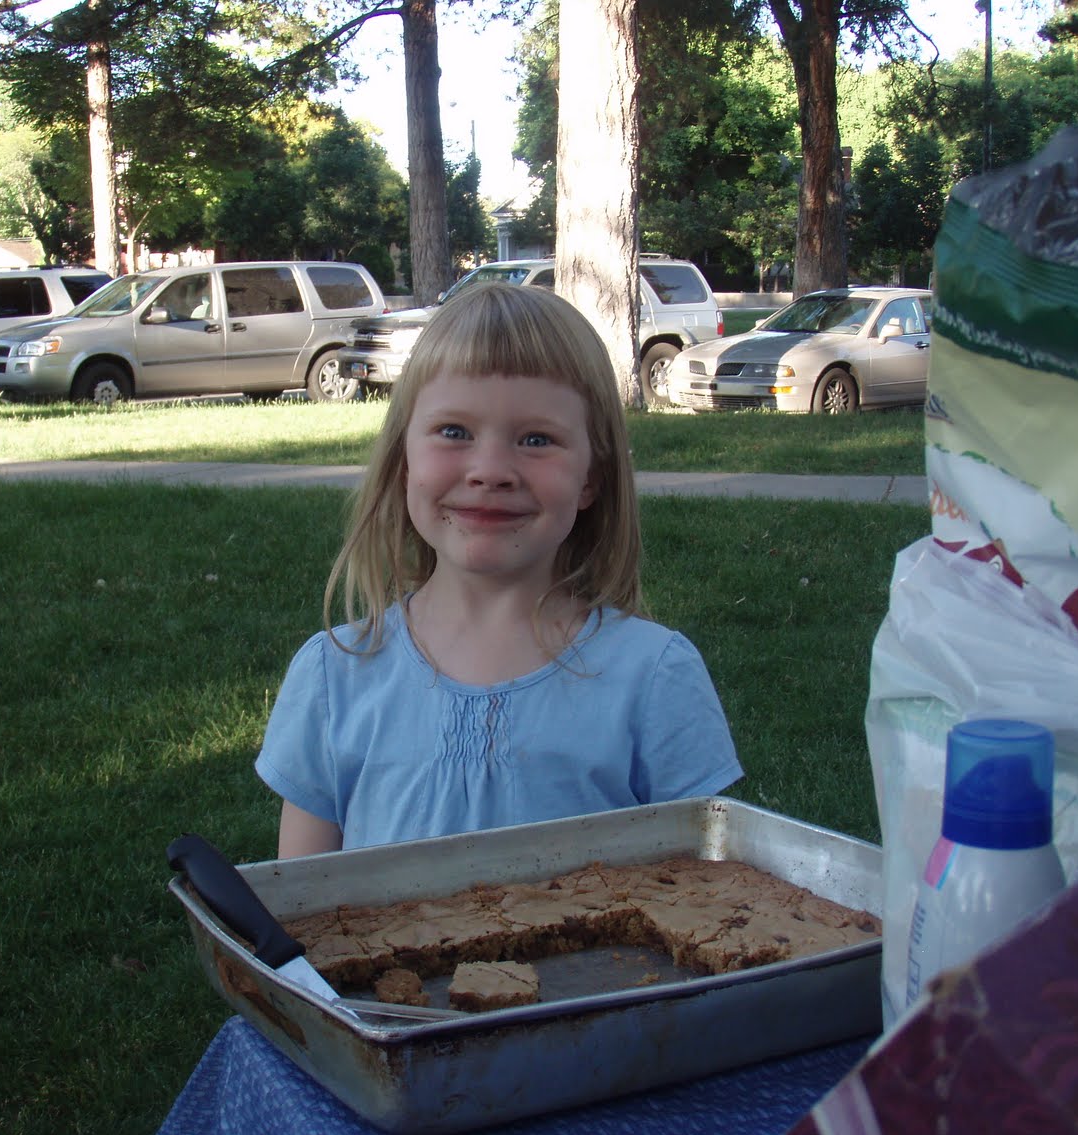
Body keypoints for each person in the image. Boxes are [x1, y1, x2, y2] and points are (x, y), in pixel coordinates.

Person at [258, 283, 742, 857]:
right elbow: (302, 899)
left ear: (591, 478)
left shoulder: (655, 677)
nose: (490, 470)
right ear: (404, 460)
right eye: (454, 433)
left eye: (536, 439)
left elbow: (699, 891)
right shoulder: (334, 676)